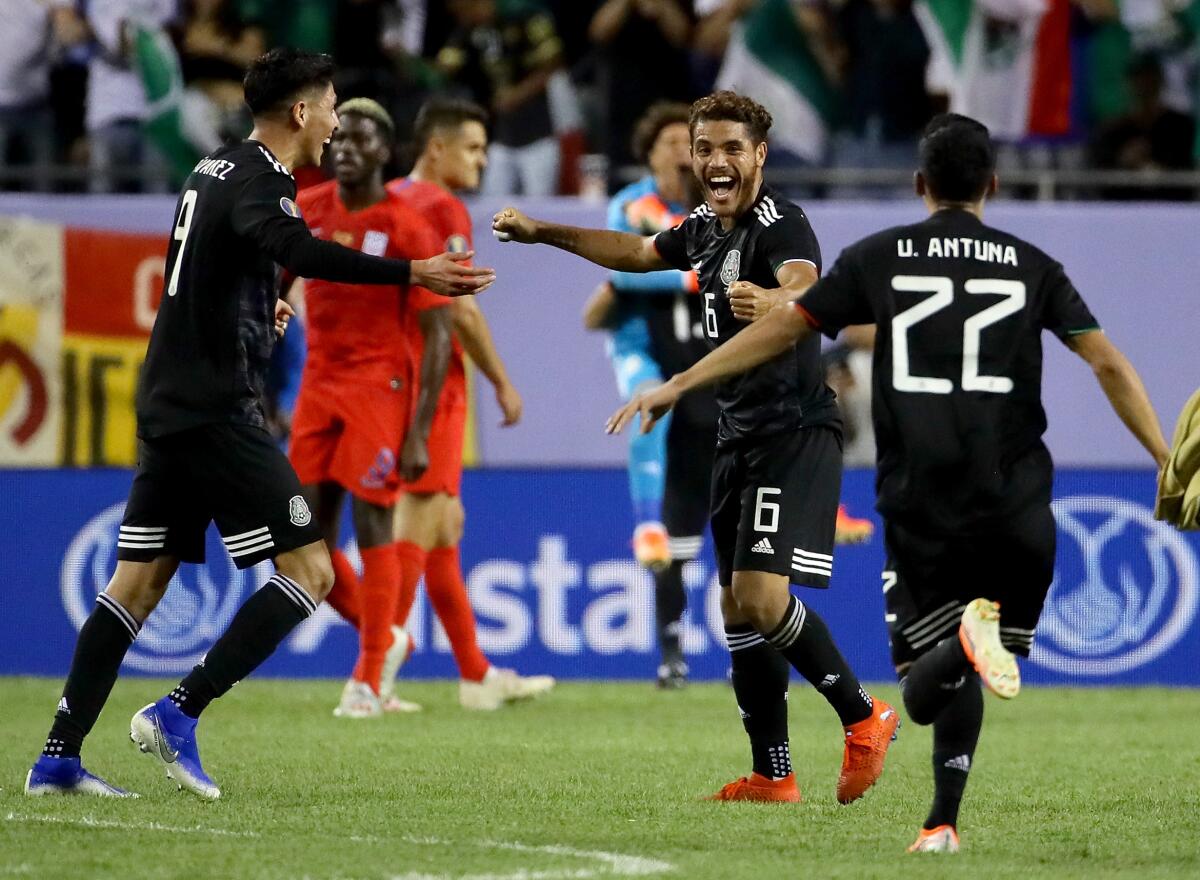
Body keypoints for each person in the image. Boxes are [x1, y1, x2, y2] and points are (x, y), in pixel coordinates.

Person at [606, 113, 1170, 851]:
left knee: (916, 680)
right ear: (994, 185)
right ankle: (938, 820)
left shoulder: (884, 257)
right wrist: (1164, 457)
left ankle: (925, 744)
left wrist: (679, 380)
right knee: (947, 647)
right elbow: (1107, 363)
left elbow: (792, 321)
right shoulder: (1034, 264)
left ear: (918, 184)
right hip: (1017, 490)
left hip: (920, 488)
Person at [24, 47, 494, 801]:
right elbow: (291, 244)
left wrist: (257, 297)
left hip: (169, 401)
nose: (337, 123)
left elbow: (224, 257)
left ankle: (56, 757)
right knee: (312, 572)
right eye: (332, 107)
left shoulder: (212, 168)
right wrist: (414, 273)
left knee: (136, 586)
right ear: (302, 112)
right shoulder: (265, 180)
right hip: (217, 409)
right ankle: (179, 712)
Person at [493, 90, 900, 804]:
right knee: (735, 609)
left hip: (792, 434)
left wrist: (770, 306)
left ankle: (865, 717)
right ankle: (774, 775)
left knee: (760, 596)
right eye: (704, 147)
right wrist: (541, 231)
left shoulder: (782, 225)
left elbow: (810, 292)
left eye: (732, 148)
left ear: (760, 156)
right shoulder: (707, 227)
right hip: (739, 435)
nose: (715, 160)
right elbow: (632, 250)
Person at [285, 97, 455, 719]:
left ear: (386, 152)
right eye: (342, 138)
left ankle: (364, 681)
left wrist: (421, 430)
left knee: (373, 524)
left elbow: (440, 334)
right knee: (302, 539)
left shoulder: (407, 225)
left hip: (380, 389)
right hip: (318, 385)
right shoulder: (308, 209)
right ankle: (384, 640)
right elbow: (280, 277)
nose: (347, 148)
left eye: (362, 140)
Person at [385, 97, 555, 711]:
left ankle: (476, 674)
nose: (483, 160)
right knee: (422, 513)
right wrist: (502, 380)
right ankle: (376, 668)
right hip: (435, 380)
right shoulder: (439, 204)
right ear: (437, 147)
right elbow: (459, 304)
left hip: (395, 373)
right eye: (474, 148)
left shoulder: (389, 198)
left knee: (445, 524)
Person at [580, 100, 716, 688]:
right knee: (648, 418)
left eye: (685, 140)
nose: (678, 151)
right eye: (665, 142)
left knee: (706, 524)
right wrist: (695, 273)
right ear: (649, 151)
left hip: (710, 376)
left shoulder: (719, 211)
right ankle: (670, 651)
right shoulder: (636, 206)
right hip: (656, 365)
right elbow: (622, 267)